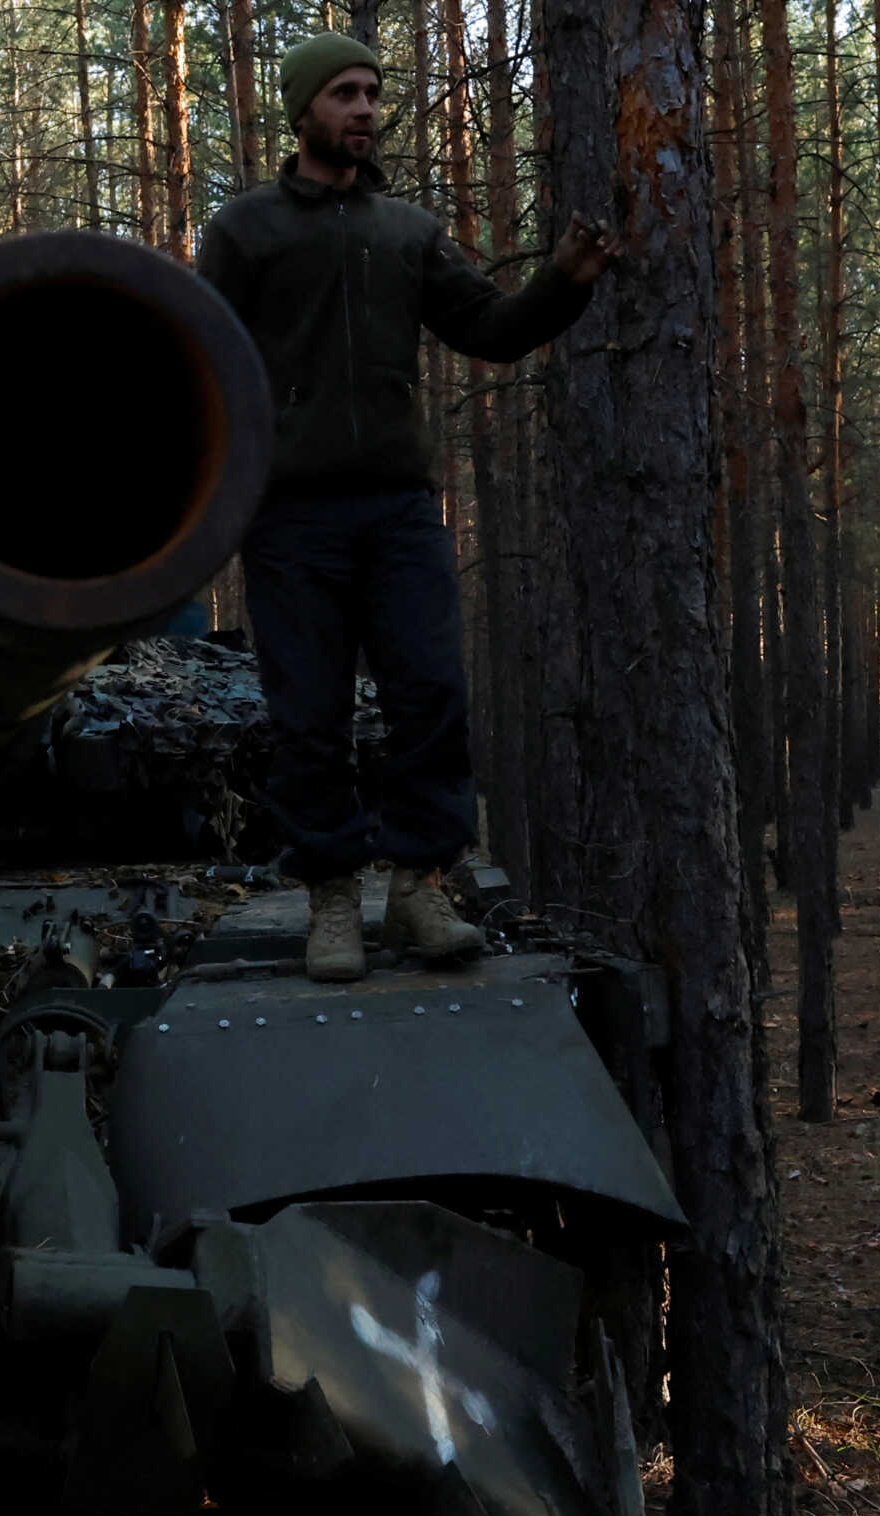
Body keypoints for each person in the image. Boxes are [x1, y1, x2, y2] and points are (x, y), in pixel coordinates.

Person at [196, 32, 617, 982]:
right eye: (345, 93)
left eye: (374, 95)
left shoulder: (407, 232)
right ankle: (334, 898)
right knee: (309, 715)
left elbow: (489, 330)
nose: (365, 110)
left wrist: (562, 284)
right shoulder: (244, 231)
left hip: (395, 511)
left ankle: (421, 887)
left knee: (431, 693)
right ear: (303, 108)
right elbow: (200, 361)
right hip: (289, 518)